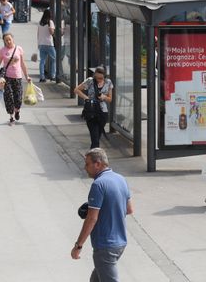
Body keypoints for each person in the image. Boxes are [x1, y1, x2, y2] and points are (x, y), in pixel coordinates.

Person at [71, 148, 133, 282]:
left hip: (105, 246)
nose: (85, 167)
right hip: (120, 242)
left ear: (98, 164)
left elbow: (92, 218)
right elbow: (129, 209)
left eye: (87, 164)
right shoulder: (120, 179)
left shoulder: (98, 185)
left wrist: (78, 246)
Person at [0, 32, 32, 125]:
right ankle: (11, 117)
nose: (8, 41)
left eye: (9, 39)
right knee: (9, 97)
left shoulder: (19, 49)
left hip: (18, 77)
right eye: (6, 40)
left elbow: (23, 64)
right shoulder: (2, 50)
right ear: (4, 41)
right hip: (7, 77)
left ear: (13, 39)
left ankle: (17, 110)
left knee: (18, 98)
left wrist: (27, 76)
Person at [74, 67, 113, 149]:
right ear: (94, 75)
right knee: (94, 138)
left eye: (101, 78)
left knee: (97, 137)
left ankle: (92, 156)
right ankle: (94, 157)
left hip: (102, 112)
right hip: (91, 112)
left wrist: (104, 97)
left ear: (104, 77)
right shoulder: (90, 81)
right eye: (97, 78)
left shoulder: (108, 82)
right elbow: (76, 90)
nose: (99, 80)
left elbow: (110, 99)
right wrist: (87, 98)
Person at [37, 8, 56, 82]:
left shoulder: (40, 22)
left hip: (41, 43)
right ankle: (53, 75)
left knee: (42, 61)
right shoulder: (50, 22)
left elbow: (38, 34)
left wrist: (38, 44)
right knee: (54, 59)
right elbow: (51, 32)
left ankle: (42, 77)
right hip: (49, 44)